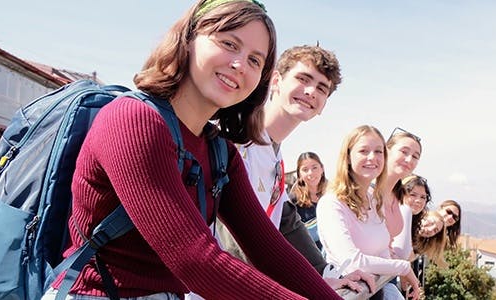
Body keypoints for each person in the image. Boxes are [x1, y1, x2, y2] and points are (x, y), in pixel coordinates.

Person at [44, 1, 342, 299]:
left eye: (255, 60)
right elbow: (195, 259)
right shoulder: (133, 119)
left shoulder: (220, 151)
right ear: (189, 39)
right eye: (228, 43)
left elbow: (270, 249)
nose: (239, 64)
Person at [208, 44, 374, 294]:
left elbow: (285, 222)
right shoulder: (237, 139)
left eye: (321, 88)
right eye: (303, 78)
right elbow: (231, 233)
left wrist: (322, 274)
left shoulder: (276, 156)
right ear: (276, 80)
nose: (310, 92)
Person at [317, 125, 421, 300]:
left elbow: (382, 251)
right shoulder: (332, 203)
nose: (372, 157)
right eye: (364, 151)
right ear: (348, 157)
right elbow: (351, 262)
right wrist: (403, 267)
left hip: (374, 291)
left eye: (378, 152)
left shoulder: (374, 199)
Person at [378, 128, 423, 247]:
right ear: (386, 151)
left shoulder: (399, 197)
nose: (409, 160)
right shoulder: (367, 191)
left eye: (415, 156)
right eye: (404, 152)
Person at [290, 152, 327, 250]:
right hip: (311, 258)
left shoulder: (334, 196)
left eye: (314, 167)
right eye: (305, 170)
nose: (310, 173)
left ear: (322, 169)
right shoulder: (293, 201)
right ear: (299, 174)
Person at [390, 174, 432, 261]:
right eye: (413, 195)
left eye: (423, 197)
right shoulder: (402, 211)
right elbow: (402, 254)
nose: (418, 201)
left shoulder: (413, 220)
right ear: (401, 195)